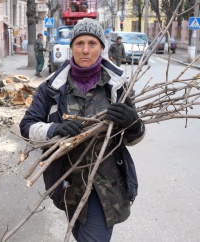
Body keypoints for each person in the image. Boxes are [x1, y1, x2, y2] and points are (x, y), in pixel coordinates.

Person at [20, 18, 145, 241]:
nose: (85, 50)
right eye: (79, 43)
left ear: (101, 48)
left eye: (92, 43)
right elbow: (27, 127)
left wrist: (134, 124)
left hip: (105, 185)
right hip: (68, 184)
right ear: (71, 48)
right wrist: (54, 129)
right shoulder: (51, 88)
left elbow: (133, 139)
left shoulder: (117, 86)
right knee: (80, 233)